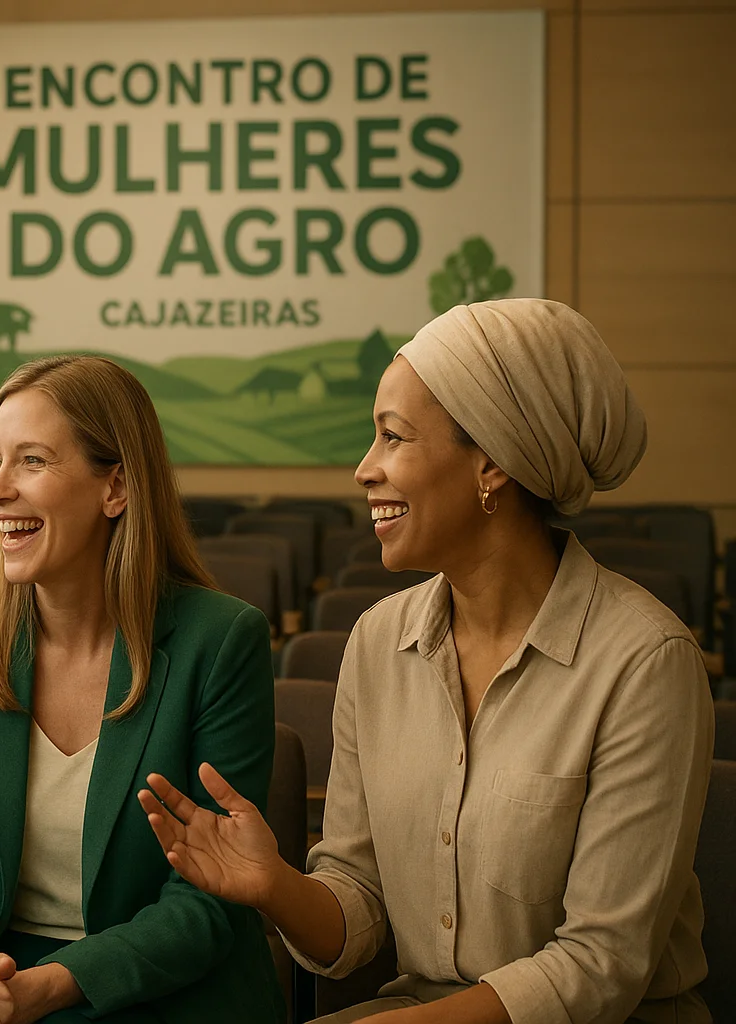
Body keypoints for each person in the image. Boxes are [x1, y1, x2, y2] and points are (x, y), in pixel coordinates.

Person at [141, 299, 714, 1024]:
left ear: (493, 464)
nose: (363, 470)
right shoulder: (378, 644)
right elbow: (358, 908)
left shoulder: (645, 662)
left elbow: (600, 968)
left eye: (392, 438)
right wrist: (273, 884)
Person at [0, 356, 282, 1024]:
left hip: (156, 980)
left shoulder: (222, 641)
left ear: (115, 488)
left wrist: (46, 988)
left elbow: (206, 903)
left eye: (31, 461)